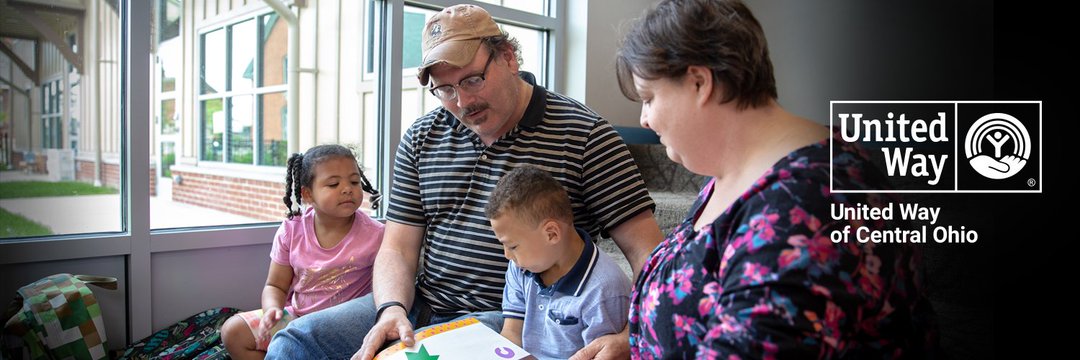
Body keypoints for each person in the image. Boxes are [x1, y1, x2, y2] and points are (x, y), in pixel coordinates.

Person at [266, 4, 663, 360]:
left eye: (472, 80)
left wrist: (635, 332)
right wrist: (391, 309)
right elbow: (399, 250)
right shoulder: (422, 137)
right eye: (445, 89)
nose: (462, 102)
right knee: (295, 342)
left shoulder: (584, 134)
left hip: (512, 316)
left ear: (508, 57)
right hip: (421, 301)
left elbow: (649, 253)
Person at [615, 0, 931, 358]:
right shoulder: (735, 175)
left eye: (648, 97)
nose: (643, 119)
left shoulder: (812, 206)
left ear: (698, 82)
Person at [221, 144, 385, 359]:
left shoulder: (377, 235)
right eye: (334, 183)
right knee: (233, 332)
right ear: (307, 194)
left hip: (342, 326)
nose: (347, 188)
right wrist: (272, 309)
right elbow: (275, 285)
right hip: (297, 317)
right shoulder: (292, 229)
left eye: (354, 181)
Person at [487, 166, 632, 360]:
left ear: (551, 234)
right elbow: (512, 333)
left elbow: (602, 354)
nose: (507, 255)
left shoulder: (604, 290)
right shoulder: (520, 268)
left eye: (512, 246)